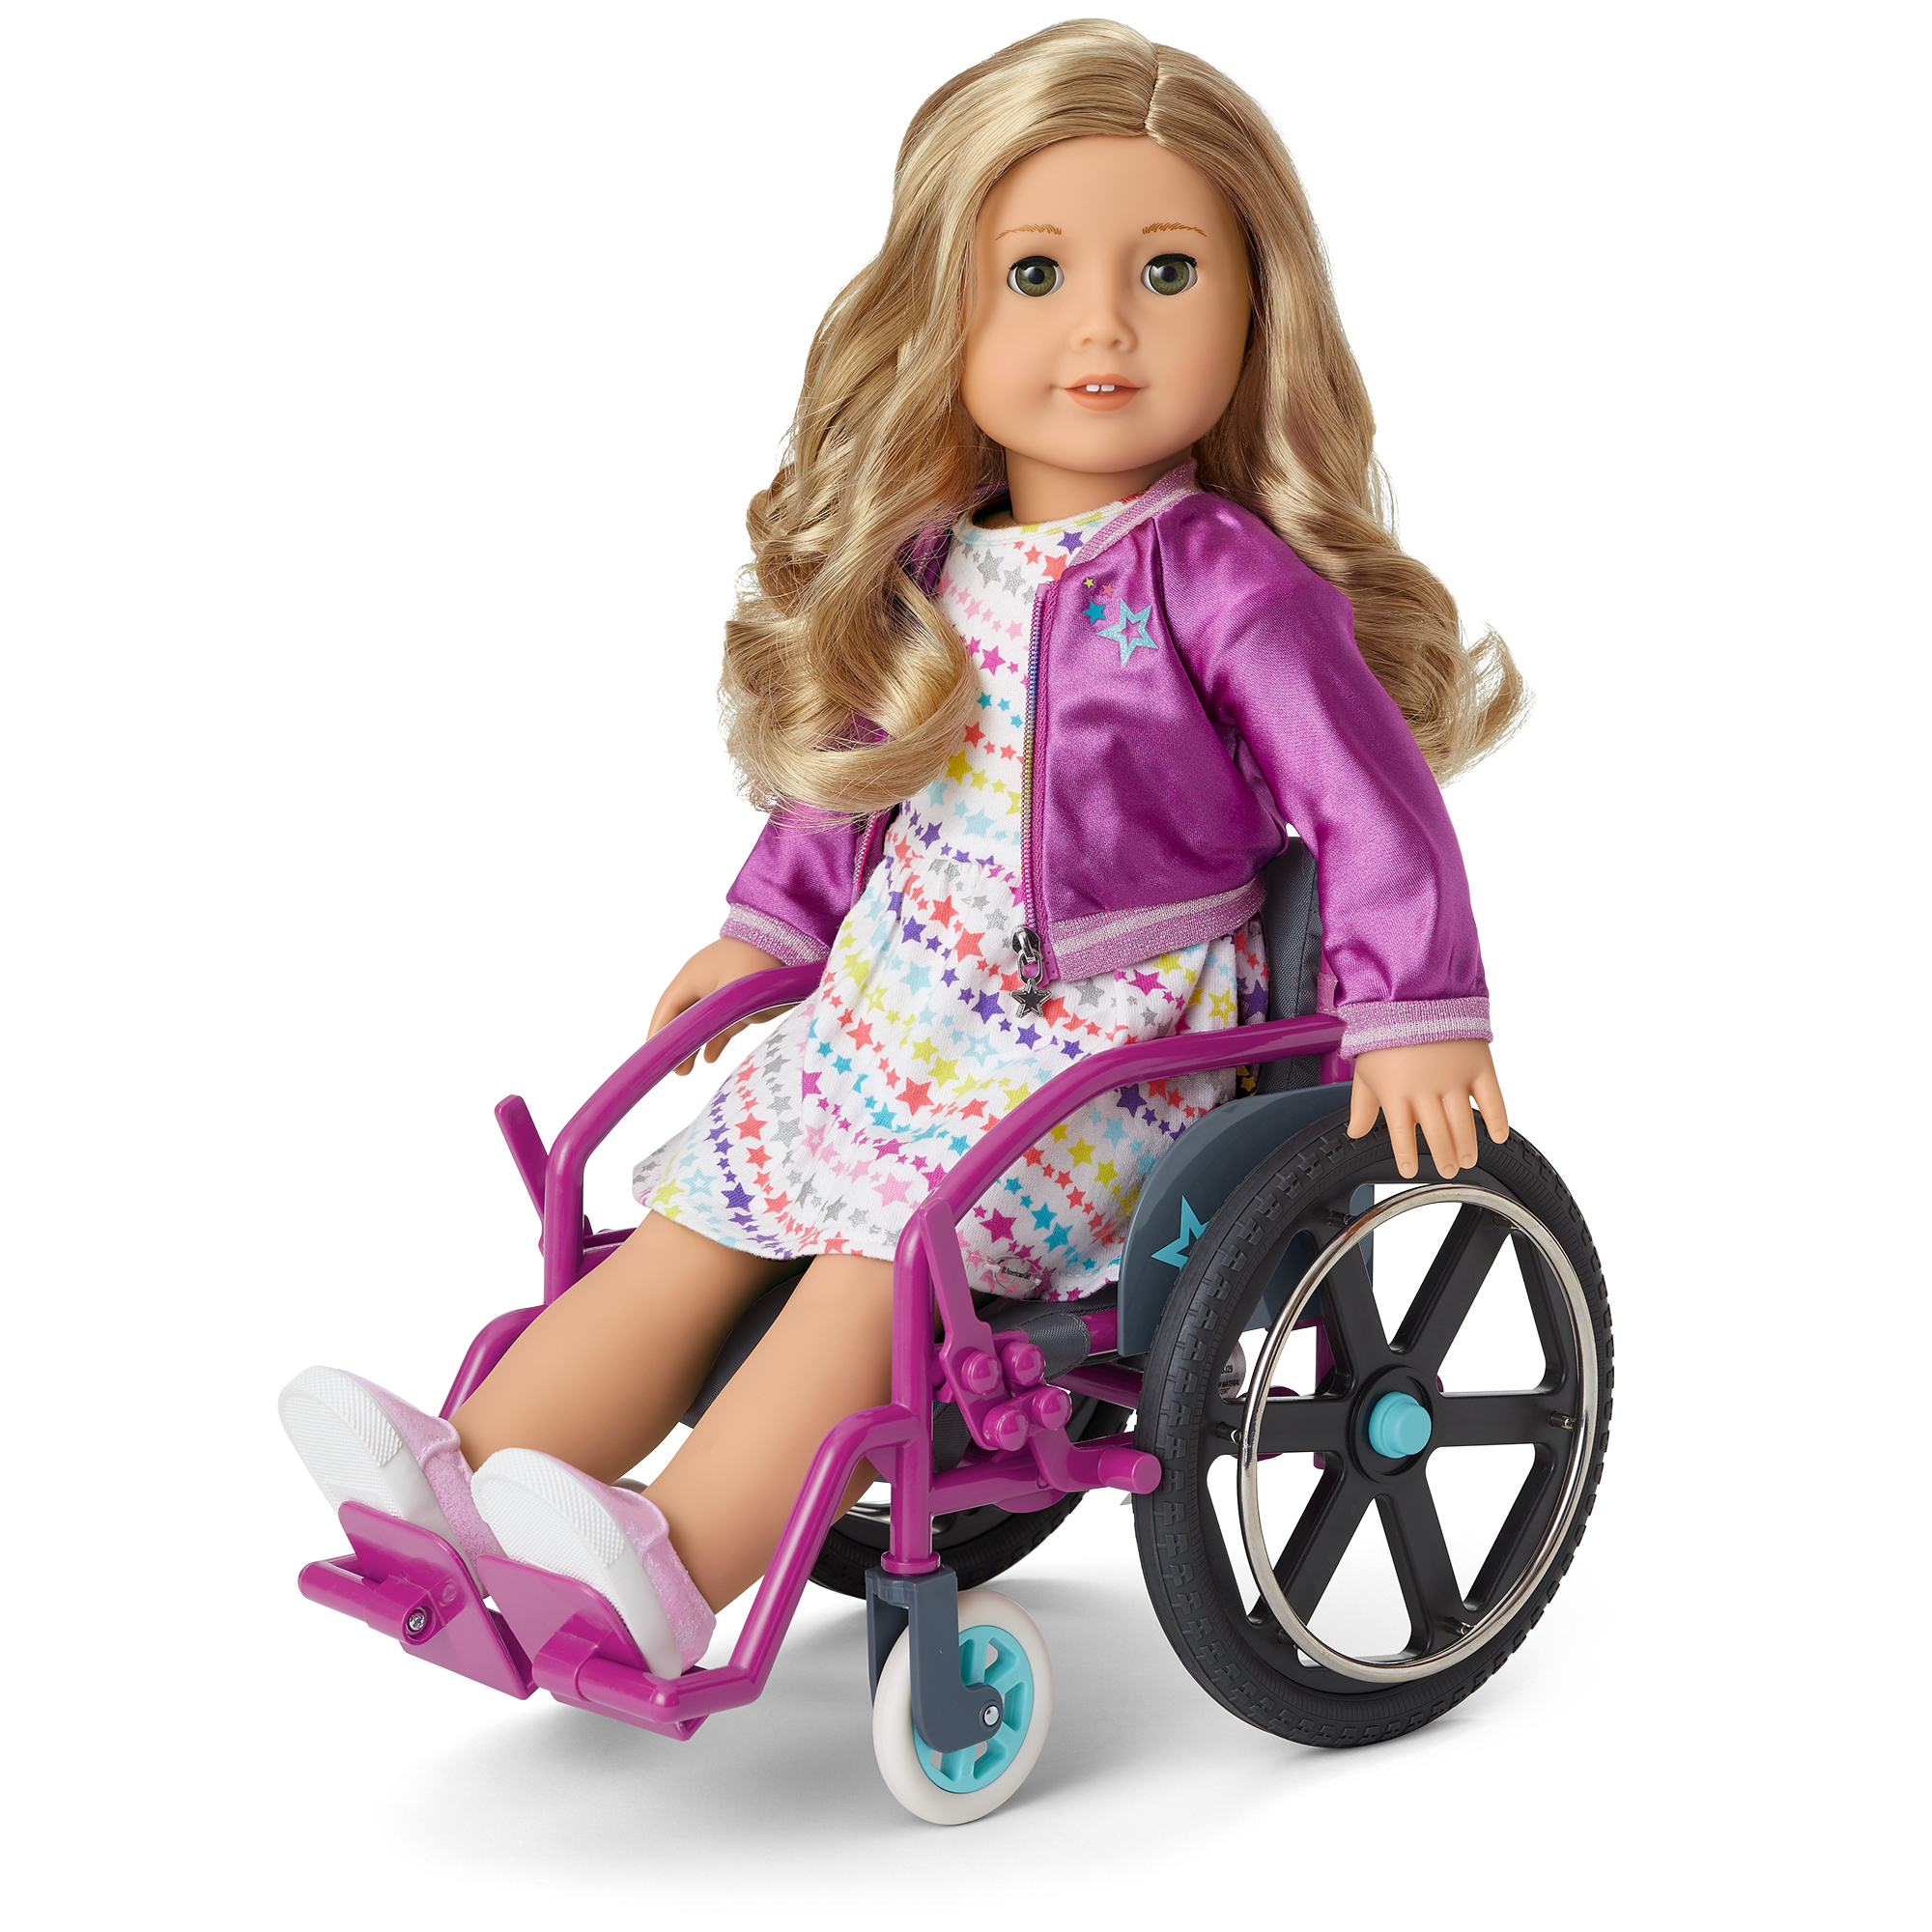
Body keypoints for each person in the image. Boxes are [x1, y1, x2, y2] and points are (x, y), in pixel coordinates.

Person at [286, 19, 1531, 1683]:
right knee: (711, 1201)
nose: (1102, 325)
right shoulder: (940, 565)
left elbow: (1370, 802)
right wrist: (762, 936)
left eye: (1168, 272)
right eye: (1037, 273)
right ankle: (475, 1472)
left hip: (1107, 1048)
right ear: (945, 306)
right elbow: (850, 791)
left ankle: (675, 1562)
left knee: (880, 1260)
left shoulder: (1227, 580)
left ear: (1257, 310)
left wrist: (1416, 1009)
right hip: (901, 1009)